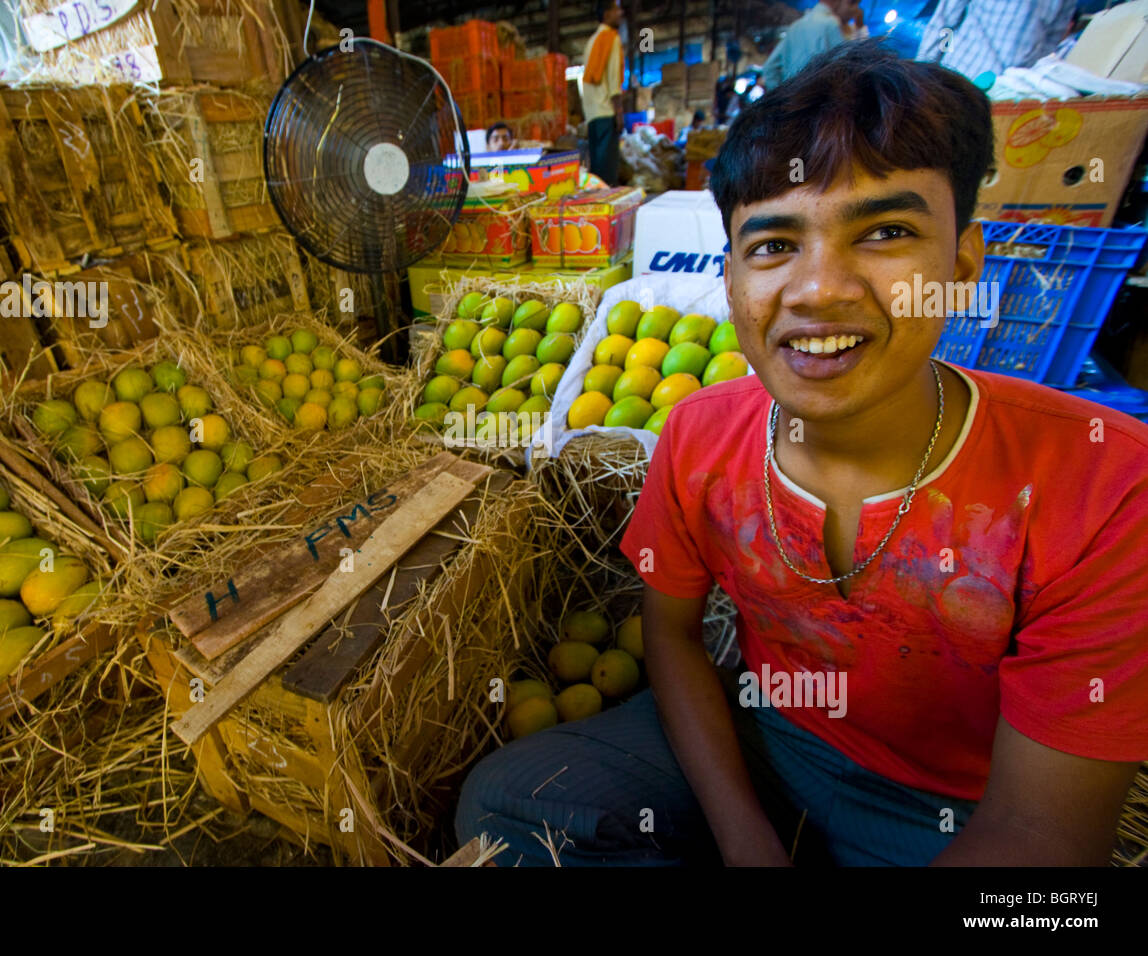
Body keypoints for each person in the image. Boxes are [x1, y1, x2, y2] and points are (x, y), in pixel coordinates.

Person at [454, 38, 1148, 867]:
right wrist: (744, 836)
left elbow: (1044, 837)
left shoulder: (1105, 485)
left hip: (953, 810)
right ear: (733, 278)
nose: (818, 289)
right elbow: (671, 636)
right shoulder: (700, 434)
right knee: (507, 808)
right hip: (769, 737)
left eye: (885, 230)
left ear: (961, 266)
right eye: (775, 244)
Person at [915, 0, 1076, 82]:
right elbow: (945, 21)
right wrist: (922, 75)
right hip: (961, 78)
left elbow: (1053, 37)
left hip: (1013, 90)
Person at [760, 1, 864, 92]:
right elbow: (848, 68)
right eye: (852, 3)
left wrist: (783, 98)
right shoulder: (830, 25)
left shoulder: (796, 26)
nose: (856, 10)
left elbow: (770, 67)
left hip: (794, 104)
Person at [580, 0, 624, 185]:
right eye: (616, 9)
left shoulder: (591, 42)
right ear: (606, 15)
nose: (620, 13)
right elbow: (614, 81)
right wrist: (619, 113)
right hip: (606, 113)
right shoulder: (611, 39)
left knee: (597, 174)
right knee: (608, 175)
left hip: (592, 116)